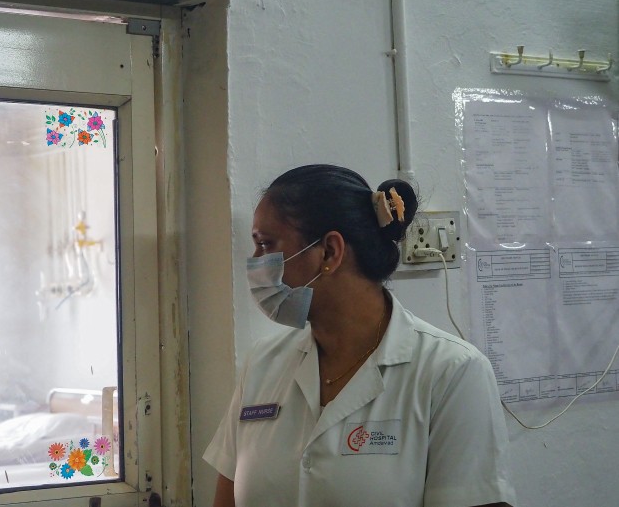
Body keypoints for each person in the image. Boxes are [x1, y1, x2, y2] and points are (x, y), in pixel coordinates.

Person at [204, 164, 516, 507]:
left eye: (266, 245)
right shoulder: (263, 364)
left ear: (329, 252)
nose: (256, 264)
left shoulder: (452, 373)